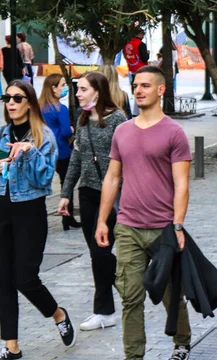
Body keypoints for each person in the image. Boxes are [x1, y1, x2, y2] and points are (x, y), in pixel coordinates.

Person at [95, 66, 193, 360]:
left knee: (170, 293)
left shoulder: (174, 133)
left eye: (146, 85)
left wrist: (177, 225)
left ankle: (182, 340)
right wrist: (102, 220)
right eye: (136, 85)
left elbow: (182, 183)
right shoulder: (122, 131)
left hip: (163, 229)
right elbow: (112, 177)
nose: (138, 90)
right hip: (127, 227)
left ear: (161, 90)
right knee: (130, 297)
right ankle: (133, 356)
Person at [0, 80, 77, 359]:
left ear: (30, 103)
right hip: (2, 213)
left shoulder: (43, 136)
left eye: (17, 98)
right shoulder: (1, 134)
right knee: (3, 281)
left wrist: (29, 153)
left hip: (29, 215)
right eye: (6, 98)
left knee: (25, 279)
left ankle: (58, 314)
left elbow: (45, 180)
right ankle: (12, 347)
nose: (10, 103)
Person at [57, 71, 127, 332]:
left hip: (112, 194)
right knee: (97, 254)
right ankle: (105, 311)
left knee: (101, 252)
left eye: (83, 89)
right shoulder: (83, 118)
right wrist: (66, 194)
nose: (77, 93)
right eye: (77, 89)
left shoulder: (119, 120)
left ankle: (128, 287)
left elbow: (128, 160)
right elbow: (77, 159)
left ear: (98, 90)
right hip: (86, 193)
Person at [39, 74, 80, 231]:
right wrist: (71, 130)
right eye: (62, 85)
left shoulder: (39, 107)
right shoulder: (60, 108)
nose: (65, 88)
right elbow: (65, 132)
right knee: (67, 183)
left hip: (43, 150)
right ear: (53, 88)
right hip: (62, 150)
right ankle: (67, 217)